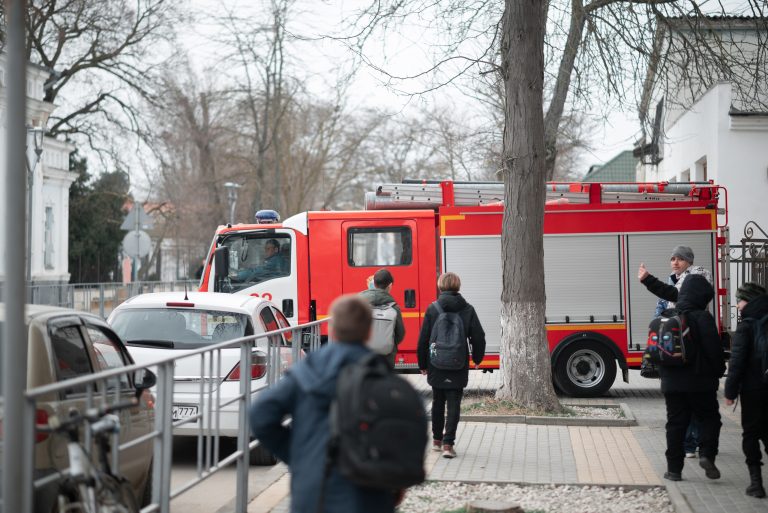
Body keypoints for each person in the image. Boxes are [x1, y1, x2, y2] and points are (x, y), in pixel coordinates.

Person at [249, 295, 401, 513]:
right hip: (370, 495)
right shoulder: (384, 377)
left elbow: (260, 415)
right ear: (369, 332)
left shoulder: (307, 371)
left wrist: (298, 454)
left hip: (313, 494)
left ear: (333, 330)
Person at [638, 245, 712, 458]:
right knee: (683, 400)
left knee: (692, 398)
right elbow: (663, 306)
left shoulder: (698, 275)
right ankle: (691, 443)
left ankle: (692, 444)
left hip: (692, 339)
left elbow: (676, 296)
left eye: (680, 258)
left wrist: (648, 279)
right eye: (672, 258)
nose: (675, 262)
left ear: (689, 260)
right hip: (677, 343)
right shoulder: (675, 278)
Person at [655, 274, 725, 482]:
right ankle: (706, 454)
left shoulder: (668, 315)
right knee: (709, 419)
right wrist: (718, 372)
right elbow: (714, 351)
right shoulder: (703, 317)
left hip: (671, 384)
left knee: (675, 424)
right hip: (700, 383)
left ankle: (674, 470)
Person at [417, 272, 485, 459]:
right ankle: (448, 445)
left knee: (438, 400)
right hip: (458, 362)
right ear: (458, 286)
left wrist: (422, 363)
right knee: (454, 402)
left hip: (436, 361)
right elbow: (478, 336)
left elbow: (423, 339)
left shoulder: (433, 308)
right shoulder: (468, 309)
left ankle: (436, 441)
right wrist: (478, 359)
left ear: (440, 286)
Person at [724, 282, 768, 498]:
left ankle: (756, 484)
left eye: (740, 300)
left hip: (753, 390)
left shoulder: (747, 325)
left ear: (748, 300)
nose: (738, 305)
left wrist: (730, 392)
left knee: (751, 434)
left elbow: (737, 361)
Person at [359, 268, 405, 366]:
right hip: (386, 358)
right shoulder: (394, 307)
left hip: (363, 355)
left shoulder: (358, 303)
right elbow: (400, 334)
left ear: (373, 283)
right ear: (390, 285)